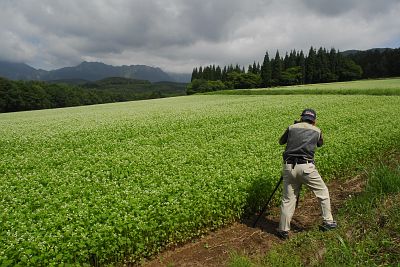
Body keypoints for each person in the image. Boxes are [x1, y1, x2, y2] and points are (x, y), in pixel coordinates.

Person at [277, 108, 337, 240]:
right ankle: (328, 222)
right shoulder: (317, 130)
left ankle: (283, 230)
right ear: (314, 120)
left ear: (302, 117)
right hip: (306, 167)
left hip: (288, 166)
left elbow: (281, 141)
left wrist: (295, 126)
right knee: (322, 193)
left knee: (288, 199)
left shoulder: (292, 127)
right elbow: (320, 144)